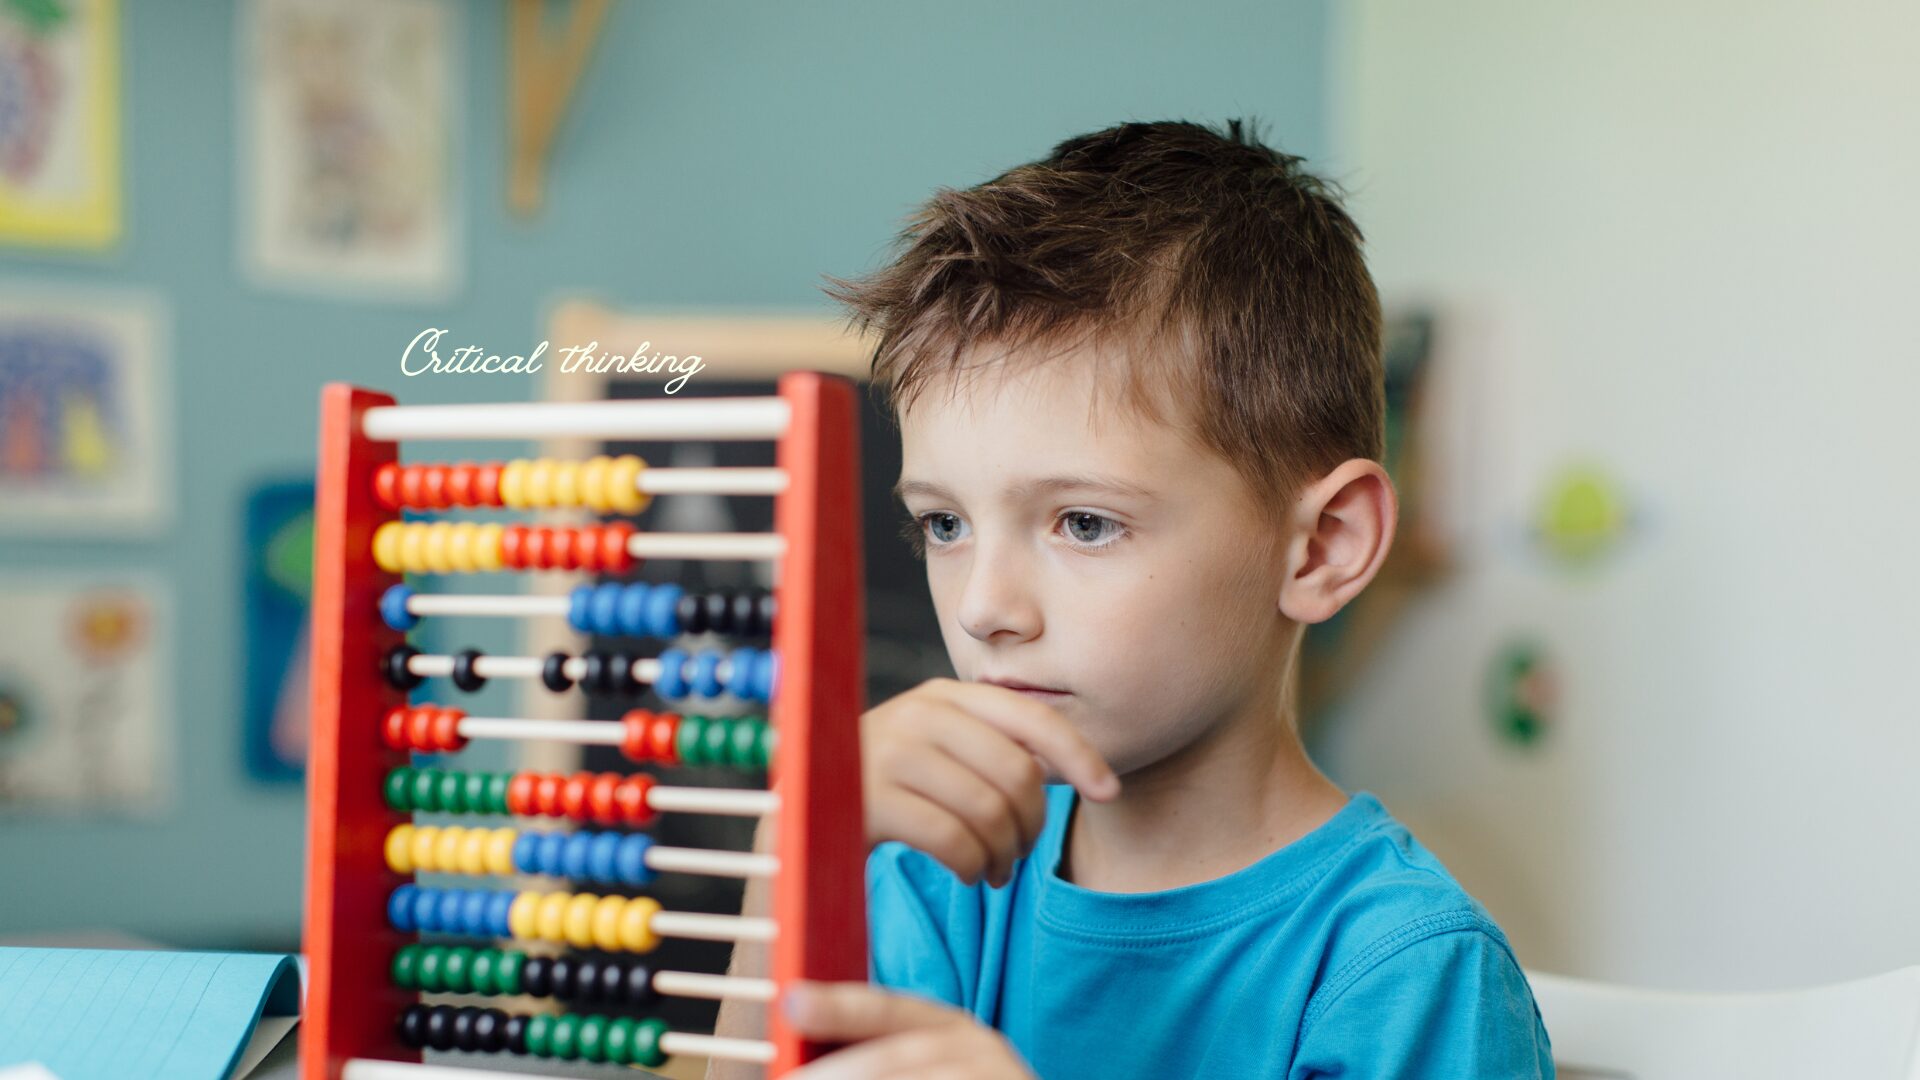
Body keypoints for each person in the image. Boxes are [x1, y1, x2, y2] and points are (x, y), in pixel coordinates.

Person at [713, 118, 1553, 1079]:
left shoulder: (1404, 974)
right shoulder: (931, 881)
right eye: (944, 525)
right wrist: (796, 836)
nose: (986, 607)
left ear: (1322, 547)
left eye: (1083, 523)